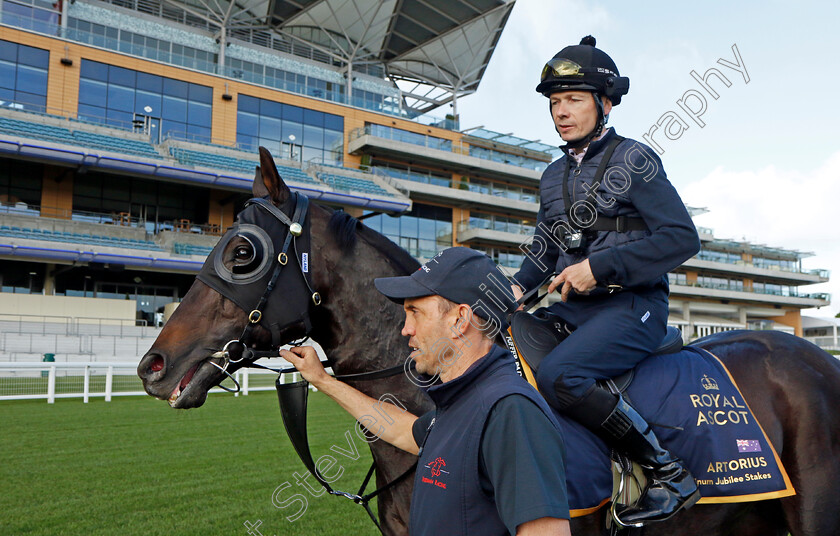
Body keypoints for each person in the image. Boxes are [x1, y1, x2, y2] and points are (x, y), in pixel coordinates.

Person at [511, 36, 702, 525]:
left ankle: (667, 473)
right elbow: (543, 250)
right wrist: (511, 291)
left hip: (632, 307)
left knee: (561, 376)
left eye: (573, 99)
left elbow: (682, 238)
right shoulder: (551, 175)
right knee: (504, 353)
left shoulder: (635, 159)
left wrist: (599, 268)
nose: (561, 111)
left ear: (605, 102)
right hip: (573, 310)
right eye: (554, 102)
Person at [282, 247, 571, 536]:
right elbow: (401, 431)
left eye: (415, 313)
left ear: (459, 319)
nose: (406, 329)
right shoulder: (463, 397)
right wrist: (323, 381)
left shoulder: (509, 411)